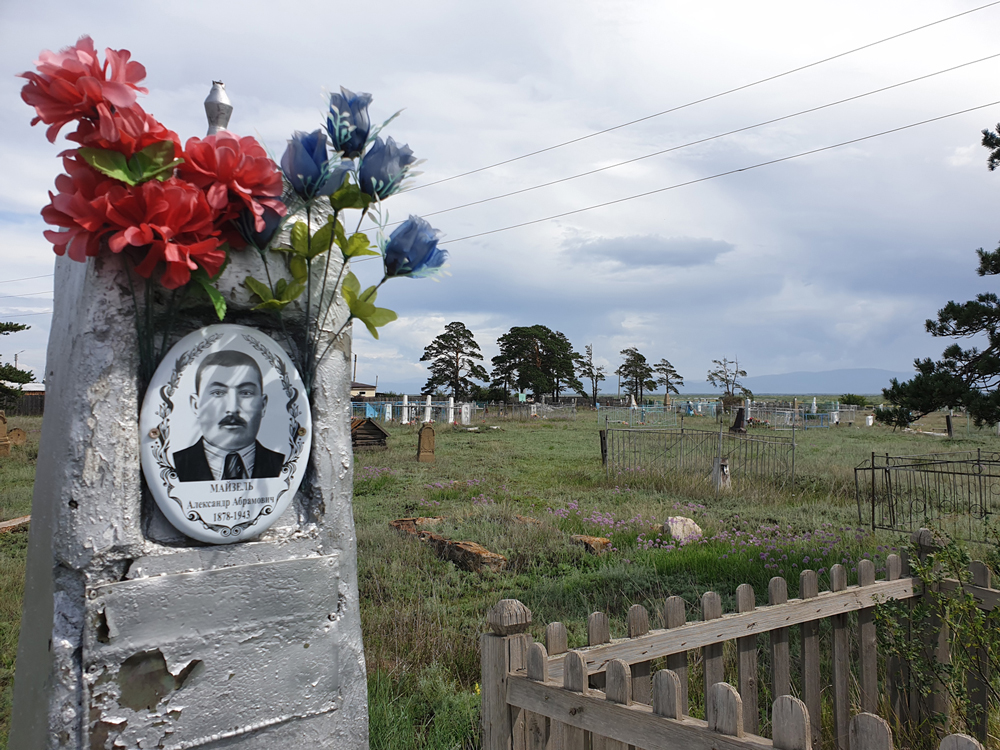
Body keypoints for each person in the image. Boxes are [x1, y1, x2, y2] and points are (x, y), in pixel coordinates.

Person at [173, 350, 285, 482]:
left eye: (246, 393)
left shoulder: (283, 465)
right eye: (218, 393)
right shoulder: (173, 466)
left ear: (263, 405)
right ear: (196, 405)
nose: (232, 408)